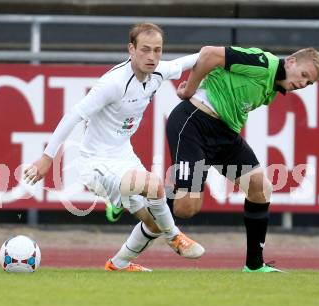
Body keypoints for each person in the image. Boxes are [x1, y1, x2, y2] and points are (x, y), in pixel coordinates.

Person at [23, 23, 205, 272]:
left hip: (124, 157)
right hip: (96, 164)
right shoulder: (113, 83)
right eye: (145, 50)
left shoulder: (159, 72)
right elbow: (74, 115)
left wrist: (228, 54)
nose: (151, 56)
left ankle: (118, 264)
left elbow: (195, 59)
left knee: (152, 224)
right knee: (153, 185)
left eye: (157, 50)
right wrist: (47, 157)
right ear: (131, 49)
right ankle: (174, 236)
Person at [166, 45, 319, 272]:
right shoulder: (262, 63)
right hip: (194, 123)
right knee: (186, 208)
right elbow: (209, 54)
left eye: (308, 83)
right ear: (291, 61)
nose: (302, 84)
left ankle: (254, 264)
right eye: (303, 75)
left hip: (224, 133)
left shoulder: (273, 87)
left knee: (260, 188)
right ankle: (138, 198)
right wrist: (189, 90)